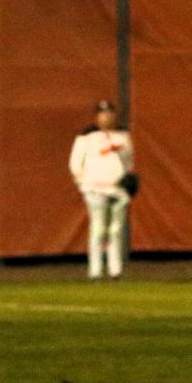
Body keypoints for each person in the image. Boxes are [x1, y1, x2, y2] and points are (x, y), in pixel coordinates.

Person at [68, 99, 133, 279]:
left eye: (109, 113)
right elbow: (75, 163)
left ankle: (115, 270)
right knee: (98, 229)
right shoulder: (86, 137)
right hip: (94, 188)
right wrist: (83, 185)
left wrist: (126, 182)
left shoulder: (123, 135)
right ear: (97, 116)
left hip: (117, 188)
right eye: (102, 113)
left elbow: (128, 163)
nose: (106, 116)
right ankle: (95, 270)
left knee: (115, 230)